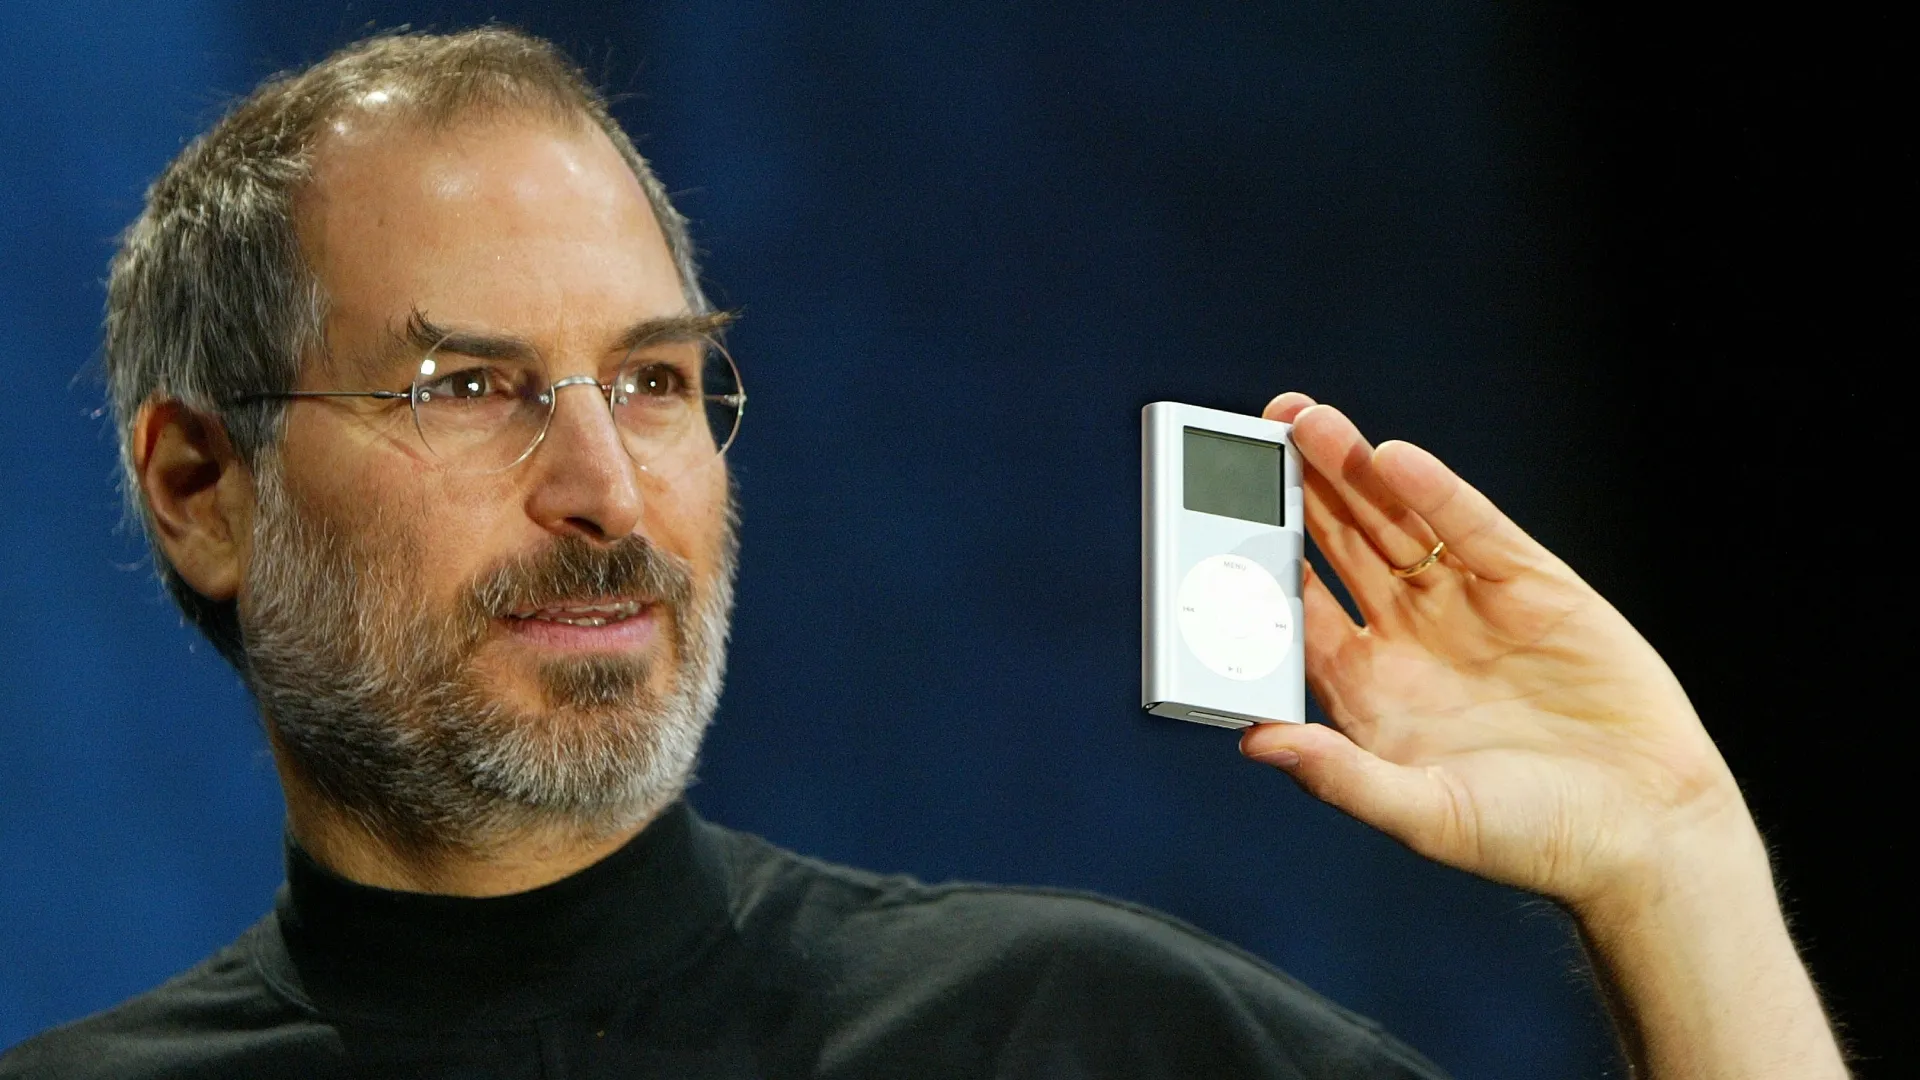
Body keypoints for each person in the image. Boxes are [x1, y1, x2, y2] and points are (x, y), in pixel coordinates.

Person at [0, 27, 1847, 1080]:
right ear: (199, 484)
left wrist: (1671, 868)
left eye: (656, 381)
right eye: (470, 386)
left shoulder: (1080, 1035)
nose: (610, 497)